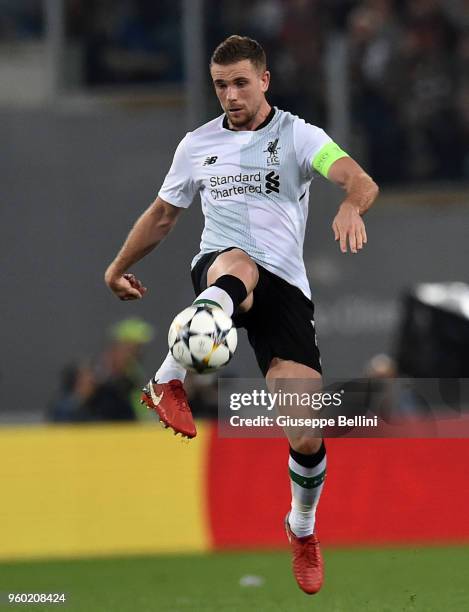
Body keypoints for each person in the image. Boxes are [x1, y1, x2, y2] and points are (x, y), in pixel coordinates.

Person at [104, 35, 379, 595]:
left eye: (240, 83)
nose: (230, 95)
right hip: (222, 266)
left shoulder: (299, 136)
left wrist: (351, 202)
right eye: (221, 85)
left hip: (287, 291)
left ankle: (301, 528)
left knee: (303, 431)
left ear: (265, 80)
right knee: (237, 266)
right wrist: (116, 267)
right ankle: (167, 378)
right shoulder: (197, 145)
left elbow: (357, 177)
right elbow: (162, 215)